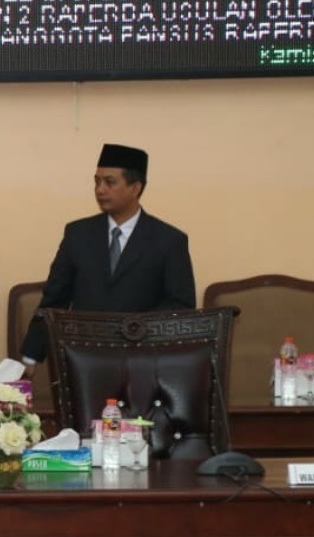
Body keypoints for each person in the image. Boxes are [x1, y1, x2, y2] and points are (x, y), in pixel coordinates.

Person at [20, 143, 196, 370]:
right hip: (84, 361)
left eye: (110, 182)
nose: (100, 190)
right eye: (97, 182)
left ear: (135, 187)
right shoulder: (78, 234)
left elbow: (180, 306)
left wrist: (131, 331)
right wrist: (30, 356)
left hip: (145, 363)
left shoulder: (168, 240)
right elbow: (55, 299)